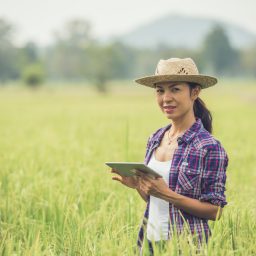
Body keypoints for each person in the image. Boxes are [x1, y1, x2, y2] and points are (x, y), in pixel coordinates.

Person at [111, 58, 228, 255]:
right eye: (160, 90)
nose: (166, 98)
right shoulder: (156, 138)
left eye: (175, 89)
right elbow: (155, 200)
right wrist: (139, 186)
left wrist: (167, 193)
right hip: (149, 243)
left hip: (187, 246)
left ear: (195, 92)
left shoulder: (208, 146)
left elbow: (215, 211)